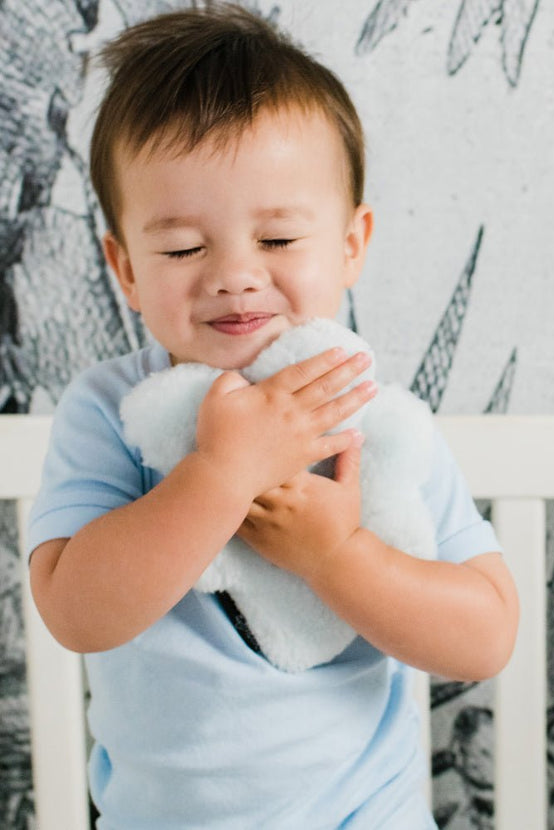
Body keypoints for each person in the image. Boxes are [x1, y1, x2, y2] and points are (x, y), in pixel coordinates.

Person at [27, 5, 519, 828]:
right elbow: (78, 613)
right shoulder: (110, 411)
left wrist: (337, 555)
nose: (235, 276)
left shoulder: (371, 413)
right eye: (183, 248)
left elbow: (485, 636)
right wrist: (222, 475)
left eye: (280, 240)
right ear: (125, 268)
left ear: (351, 243)